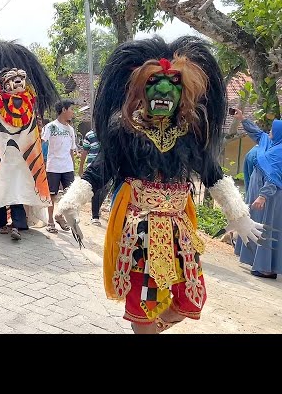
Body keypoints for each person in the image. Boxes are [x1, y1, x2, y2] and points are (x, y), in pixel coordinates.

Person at [57, 36, 263, 334]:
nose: (164, 90)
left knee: (192, 299)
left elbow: (212, 174)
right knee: (143, 302)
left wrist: (239, 215)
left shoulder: (190, 131)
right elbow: (100, 170)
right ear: (141, 89)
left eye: (173, 84)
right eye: (155, 82)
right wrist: (70, 202)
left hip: (180, 232)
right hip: (140, 232)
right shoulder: (124, 129)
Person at [0, 41, 59, 241]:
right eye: (11, 79)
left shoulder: (29, 106)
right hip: (0, 155)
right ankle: (0, 220)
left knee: (18, 185)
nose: (17, 83)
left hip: (22, 158)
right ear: (1, 84)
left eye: (20, 79)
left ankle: (18, 221)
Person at [232, 108, 281, 279]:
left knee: (267, 227)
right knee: (255, 225)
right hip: (258, 193)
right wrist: (242, 119)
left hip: (270, 198)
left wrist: (263, 195)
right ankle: (257, 261)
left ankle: (267, 267)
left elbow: (275, 177)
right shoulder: (269, 143)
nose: (269, 132)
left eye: (272, 130)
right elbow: (258, 133)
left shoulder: (279, 152)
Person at [41, 99, 78, 234]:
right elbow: (42, 143)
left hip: (67, 167)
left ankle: (60, 216)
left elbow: (71, 151)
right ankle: (50, 221)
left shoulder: (70, 130)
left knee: (69, 195)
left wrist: (74, 169)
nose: (73, 113)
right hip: (53, 166)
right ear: (64, 110)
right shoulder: (51, 127)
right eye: (71, 109)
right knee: (52, 195)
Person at [78, 128, 106, 226]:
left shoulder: (108, 133)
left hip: (106, 167)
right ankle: (95, 216)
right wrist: (81, 167)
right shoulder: (90, 135)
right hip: (93, 167)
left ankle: (97, 208)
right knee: (96, 191)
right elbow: (85, 151)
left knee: (104, 191)